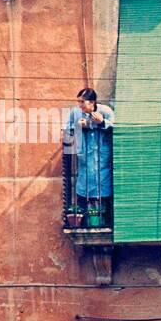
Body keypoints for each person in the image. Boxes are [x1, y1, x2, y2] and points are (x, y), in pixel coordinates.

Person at [64, 88, 114, 226]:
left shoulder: (105, 111)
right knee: (84, 194)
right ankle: (86, 223)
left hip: (102, 162)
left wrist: (101, 122)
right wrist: (77, 126)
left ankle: (103, 223)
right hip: (85, 161)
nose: (79, 105)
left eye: (82, 102)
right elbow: (67, 130)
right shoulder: (76, 113)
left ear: (92, 102)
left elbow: (115, 128)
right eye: (78, 102)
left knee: (103, 196)